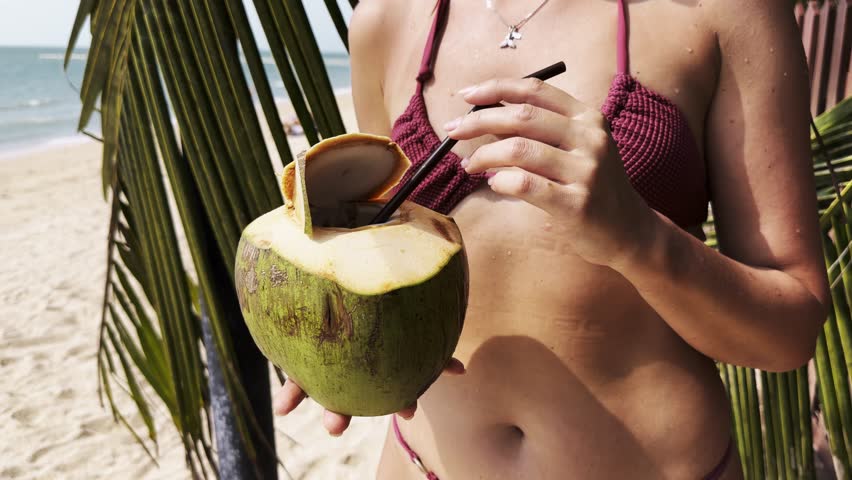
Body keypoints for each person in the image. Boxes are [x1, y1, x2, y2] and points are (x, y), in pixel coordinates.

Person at [273, 1, 830, 478]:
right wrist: (334, 332)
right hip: (421, 465)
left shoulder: (724, 12)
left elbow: (791, 331)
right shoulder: (388, 17)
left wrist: (636, 237)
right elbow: (380, 252)